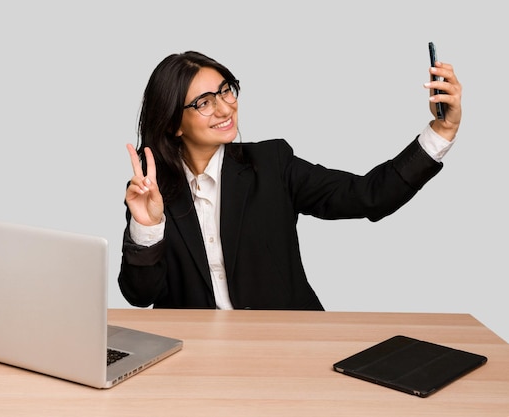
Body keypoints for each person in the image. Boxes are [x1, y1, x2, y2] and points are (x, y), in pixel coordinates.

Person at [118, 50, 461, 310]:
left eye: (225, 91)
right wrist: (147, 229)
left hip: (287, 343)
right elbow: (140, 295)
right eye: (204, 103)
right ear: (175, 124)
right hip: (196, 359)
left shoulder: (272, 164)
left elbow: (369, 196)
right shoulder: (152, 193)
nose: (225, 109)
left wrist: (441, 131)